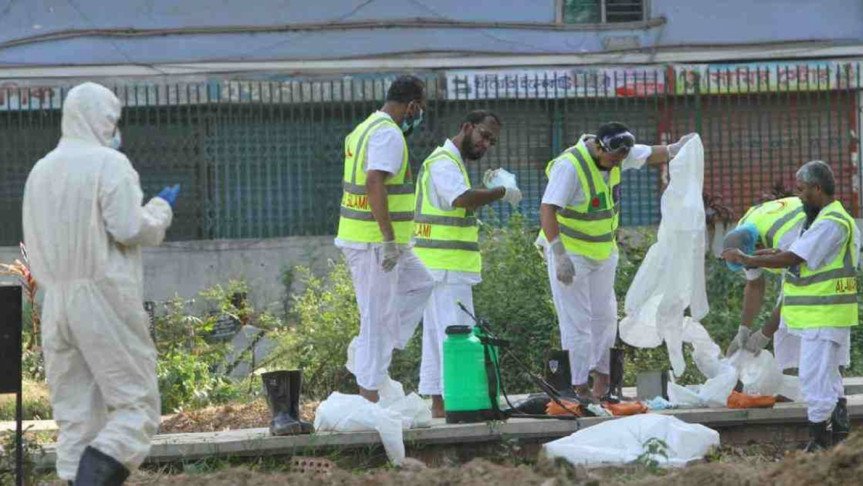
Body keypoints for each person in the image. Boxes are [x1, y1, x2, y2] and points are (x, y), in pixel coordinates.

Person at [22, 82, 178, 484]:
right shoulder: (109, 164)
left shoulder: (41, 170)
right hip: (101, 296)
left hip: (55, 301)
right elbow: (127, 227)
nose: (114, 128)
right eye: (111, 120)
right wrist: (159, 211)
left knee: (77, 419)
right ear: (99, 119)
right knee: (137, 408)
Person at [537, 122, 695, 402]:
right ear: (598, 146)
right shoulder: (570, 166)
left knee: (606, 317)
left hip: (602, 251)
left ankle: (603, 384)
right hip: (570, 253)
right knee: (578, 321)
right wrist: (558, 253)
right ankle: (578, 387)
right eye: (612, 158)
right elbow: (548, 209)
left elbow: (650, 154)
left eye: (620, 159)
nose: (615, 164)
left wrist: (677, 148)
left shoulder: (619, 153)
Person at [722, 160, 859, 451]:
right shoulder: (813, 218)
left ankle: (819, 442)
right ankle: (837, 443)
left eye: (801, 189)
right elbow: (779, 260)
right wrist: (745, 329)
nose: (797, 196)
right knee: (826, 377)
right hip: (817, 314)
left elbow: (793, 258)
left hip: (824, 312)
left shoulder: (830, 223)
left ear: (817, 189)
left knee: (813, 379)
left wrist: (750, 259)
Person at [412, 110, 522, 417]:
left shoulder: (450, 162)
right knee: (455, 335)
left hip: (440, 266)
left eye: (492, 141)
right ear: (466, 127)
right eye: (483, 135)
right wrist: (501, 191)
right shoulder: (444, 162)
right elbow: (460, 199)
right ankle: (456, 402)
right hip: (445, 267)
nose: (486, 144)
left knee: (439, 336)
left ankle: (440, 403)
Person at [336, 75, 434, 403]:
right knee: (376, 316)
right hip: (375, 244)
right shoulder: (388, 134)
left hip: (376, 242)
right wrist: (388, 238)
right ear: (412, 106)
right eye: (419, 109)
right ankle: (369, 396)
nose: (418, 116)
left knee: (422, 284)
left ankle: (369, 350)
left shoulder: (364, 128)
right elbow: (373, 181)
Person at [722, 196, 806, 373]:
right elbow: (754, 284)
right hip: (789, 231)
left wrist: (763, 334)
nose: (749, 267)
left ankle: (808, 386)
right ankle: (789, 386)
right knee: (785, 324)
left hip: (827, 236)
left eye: (749, 262)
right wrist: (743, 330)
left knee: (796, 317)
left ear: (759, 247)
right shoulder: (743, 234)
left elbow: (793, 295)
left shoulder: (787, 239)